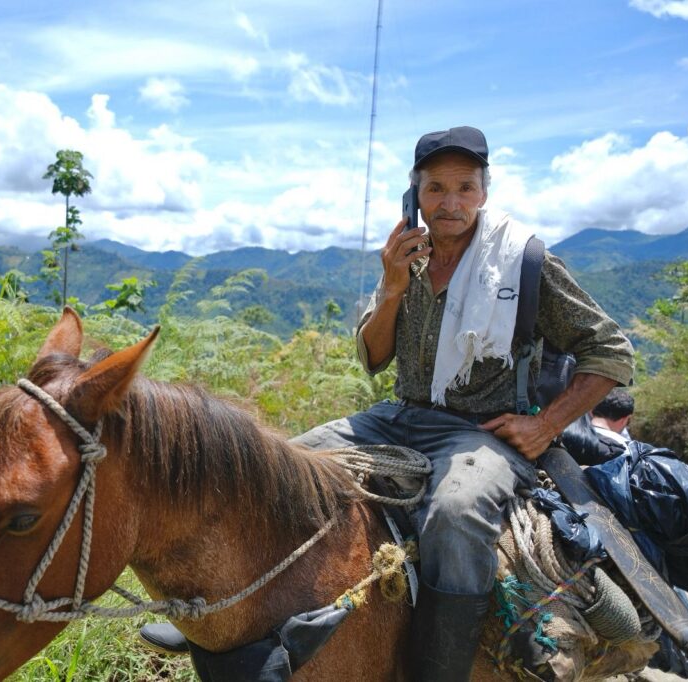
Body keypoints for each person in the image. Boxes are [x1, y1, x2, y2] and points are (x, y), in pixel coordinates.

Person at [142, 126, 636, 681]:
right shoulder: (409, 257)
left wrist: (546, 425)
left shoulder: (523, 263)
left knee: (456, 514)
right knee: (269, 469)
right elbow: (373, 357)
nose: (450, 203)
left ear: (485, 191)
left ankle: (439, 670)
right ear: (416, 193)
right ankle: (210, 618)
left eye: (465, 188)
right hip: (399, 413)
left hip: (478, 430)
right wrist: (394, 284)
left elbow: (611, 351)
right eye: (436, 188)